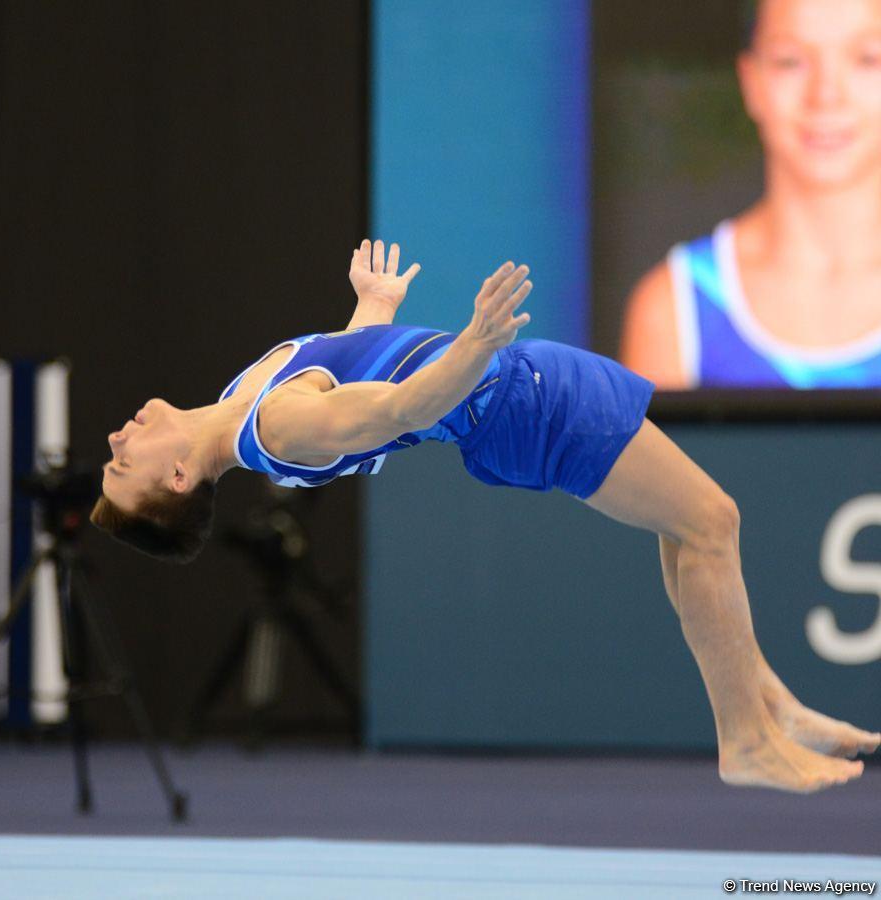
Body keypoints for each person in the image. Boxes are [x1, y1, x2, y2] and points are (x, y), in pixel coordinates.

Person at [91, 238, 879, 793]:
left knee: (693, 528)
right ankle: (745, 739)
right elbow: (396, 409)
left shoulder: (243, 405)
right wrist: (472, 342)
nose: (117, 437)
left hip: (518, 396)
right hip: (520, 407)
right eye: (125, 462)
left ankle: (766, 704)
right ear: (180, 474)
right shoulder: (274, 428)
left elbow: (355, 377)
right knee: (713, 523)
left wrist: (372, 310)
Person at [621, 0, 881, 388]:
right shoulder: (676, 311)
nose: (826, 95)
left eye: (866, 58)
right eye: (790, 61)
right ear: (750, 81)